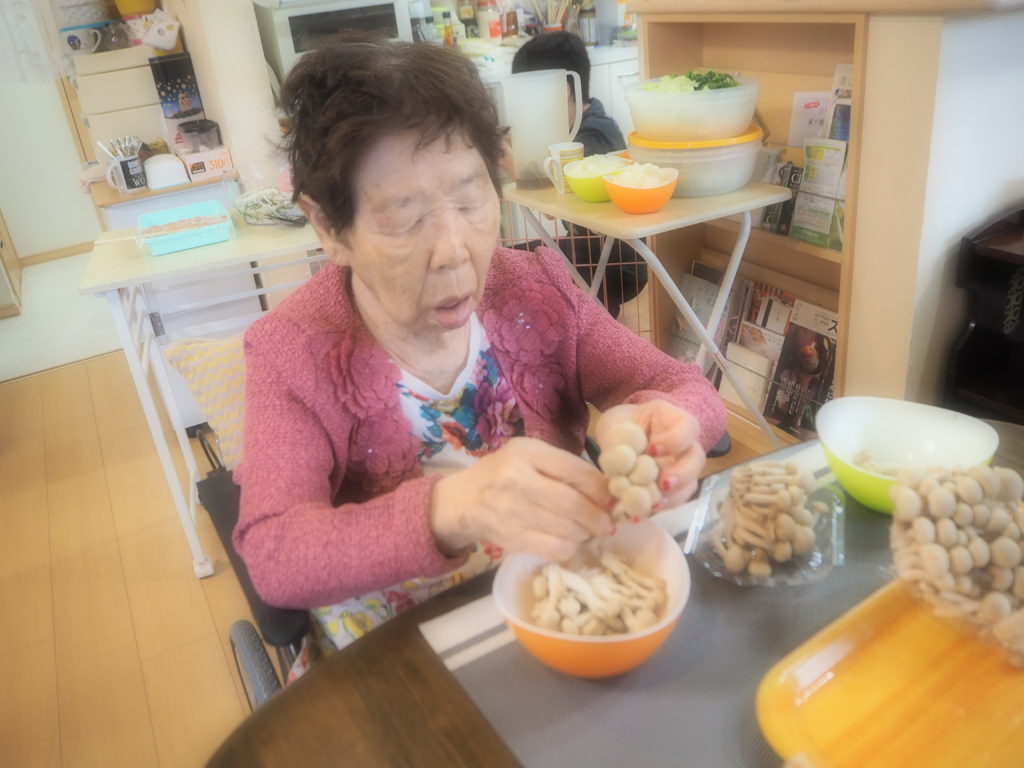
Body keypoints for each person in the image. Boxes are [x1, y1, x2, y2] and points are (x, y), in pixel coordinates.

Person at [234, 33, 726, 655]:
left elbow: (682, 386)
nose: (454, 252)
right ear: (329, 227)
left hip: (557, 607)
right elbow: (276, 553)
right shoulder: (291, 351)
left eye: (471, 200)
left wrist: (674, 423)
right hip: (399, 651)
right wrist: (455, 506)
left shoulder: (536, 288)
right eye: (404, 218)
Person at [511, 31, 646, 319]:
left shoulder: (595, 136)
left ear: (564, 91)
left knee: (512, 273)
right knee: (505, 261)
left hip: (614, 266)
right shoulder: (575, 128)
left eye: (530, 95)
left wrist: (512, 160)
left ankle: (593, 309)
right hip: (586, 253)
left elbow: (554, 202)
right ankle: (592, 308)